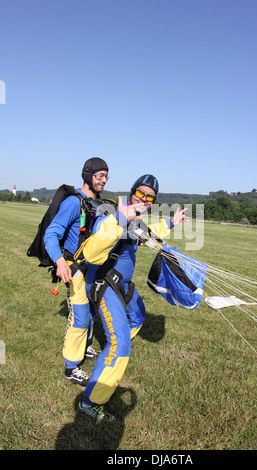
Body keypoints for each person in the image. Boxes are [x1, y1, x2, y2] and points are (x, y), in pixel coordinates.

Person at [76, 174, 189, 422]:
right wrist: (119, 219)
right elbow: (92, 253)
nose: (144, 199)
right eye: (140, 193)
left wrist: (171, 222)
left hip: (123, 286)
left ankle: (114, 347)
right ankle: (90, 402)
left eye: (150, 197)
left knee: (138, 317)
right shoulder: (110, 215)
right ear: (132, 192)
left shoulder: (135, 221)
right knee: (121, 344)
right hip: (105, 285)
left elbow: (148, 234)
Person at [44, 157, 109, 386]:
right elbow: (51, 234)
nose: (104, 180)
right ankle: (71, 368)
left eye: (106, 176)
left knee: (91, 312)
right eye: (100, 175)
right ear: (88, 175)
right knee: (80, 317)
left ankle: (85, 346)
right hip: (76, 269)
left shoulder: (98, 204)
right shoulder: (74, 203)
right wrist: (60, 262)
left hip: (94, 270)